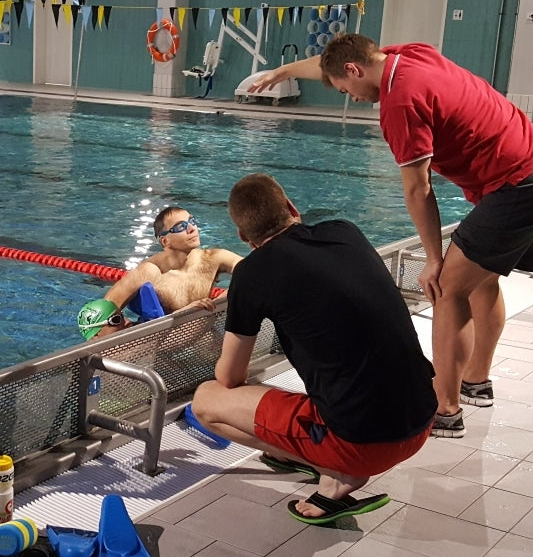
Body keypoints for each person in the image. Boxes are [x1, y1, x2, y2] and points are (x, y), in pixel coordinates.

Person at [249, 33, 533, 438]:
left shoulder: (399, 103)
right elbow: (330, 63)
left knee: (448, 287)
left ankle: (446, 411)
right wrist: (282, 71)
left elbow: (418, 189)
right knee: (482, 278)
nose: (351, 97)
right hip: (521, 160)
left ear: (355, 70)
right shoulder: (408, 55)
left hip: (516, 183)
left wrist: (433, 260)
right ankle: (476, 382)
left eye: (346, 89)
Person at [191, 173, 437, 525]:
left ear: (244, 237)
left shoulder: (251, 273)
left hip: (362, 444)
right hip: (423, 416)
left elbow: (229, 376)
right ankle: (309, 453)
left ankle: (338, 472)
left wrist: (241, 303)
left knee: (206, 400)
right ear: (292, 208)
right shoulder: (345, 232)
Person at [77, 206, 242, 340]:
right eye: (180, 227)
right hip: (163, 348)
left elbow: (253, 270)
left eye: (191, 221)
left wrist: (224, 300)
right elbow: (101, 318)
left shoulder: (214, 259)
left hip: (203, 340)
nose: (192, 228)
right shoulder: (150, 271)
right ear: (165, 241)